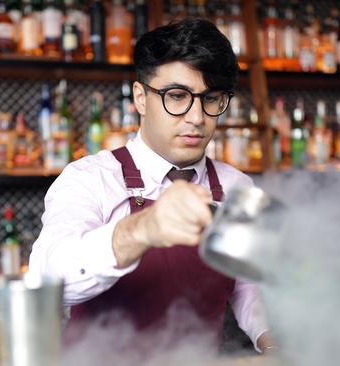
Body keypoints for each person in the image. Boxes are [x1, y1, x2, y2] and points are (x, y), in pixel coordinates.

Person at [29, 18, 276, 353]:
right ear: (141, 98)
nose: (196, 117)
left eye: (211, 98)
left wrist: (270, 339)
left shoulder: (235, 185)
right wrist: (142, 230)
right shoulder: (90, 178)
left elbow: (248, 286)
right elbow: (50, 282)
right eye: (177, 96)